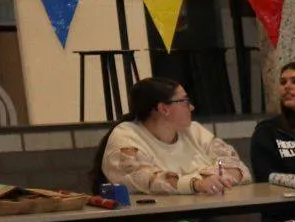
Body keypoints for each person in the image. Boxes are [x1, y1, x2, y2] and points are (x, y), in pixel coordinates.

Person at [93, 77, 248, 196]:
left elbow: (239, 169)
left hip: (200, 215)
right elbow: (147, 180)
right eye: (185, 101)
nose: (192, 107)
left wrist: (197, 181)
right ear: (163, 109)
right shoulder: (125, 137)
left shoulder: (193, 131)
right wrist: (197, 183)